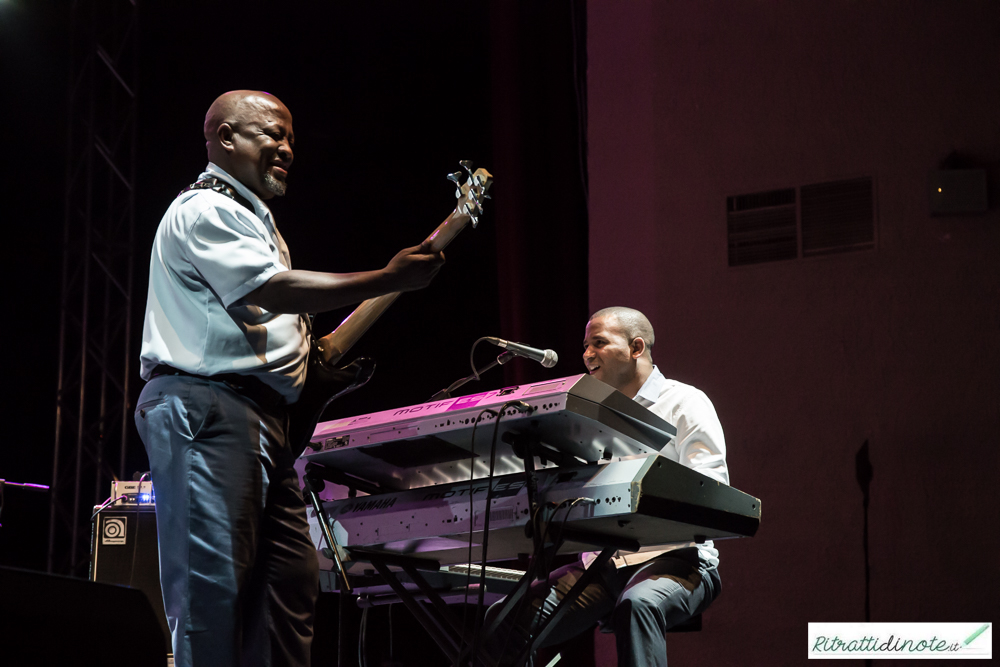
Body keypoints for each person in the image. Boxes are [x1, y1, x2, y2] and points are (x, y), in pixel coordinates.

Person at [134, 90, 445, 667]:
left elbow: (276, 329)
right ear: (225, 139)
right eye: (271, 134)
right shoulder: (206, 209)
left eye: (291, 139)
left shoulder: (253, 217)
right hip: (208, 408)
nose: (285, 148)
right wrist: (385, 278)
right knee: (213, 590)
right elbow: (273, 288)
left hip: (259, 420)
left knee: (290, 581)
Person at [487, 306, 728, 667]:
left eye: (599, 342)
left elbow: (711, 490)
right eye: (585, 345)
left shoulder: (685, 402)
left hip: (680, 560)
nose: (586, 355)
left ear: (635, 348)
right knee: (501, 624)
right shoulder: (589, 413)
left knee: (639, 604)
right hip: (606, 564)